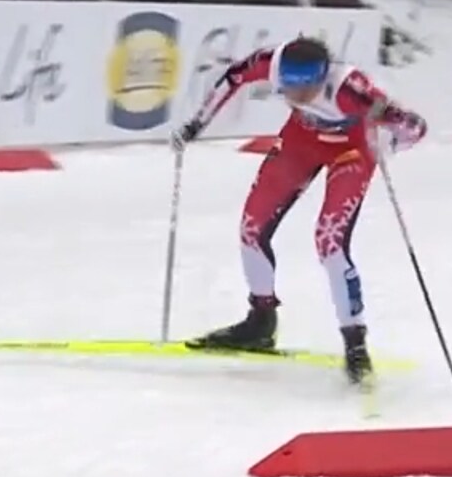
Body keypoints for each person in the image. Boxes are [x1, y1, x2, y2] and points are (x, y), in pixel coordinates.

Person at [169, 35, 428, 385]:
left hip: (350, 152)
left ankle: (355, 345)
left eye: (304, 88)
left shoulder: (351, 90)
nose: (294, 95)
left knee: (329, 241)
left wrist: (392, 142)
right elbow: (233, 77)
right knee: (251, 227)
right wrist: (195, 125)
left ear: (322, 77)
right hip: (300, 143)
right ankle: (260, 321)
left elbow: (415, 126)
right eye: (287, 86)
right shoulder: (270, 62)